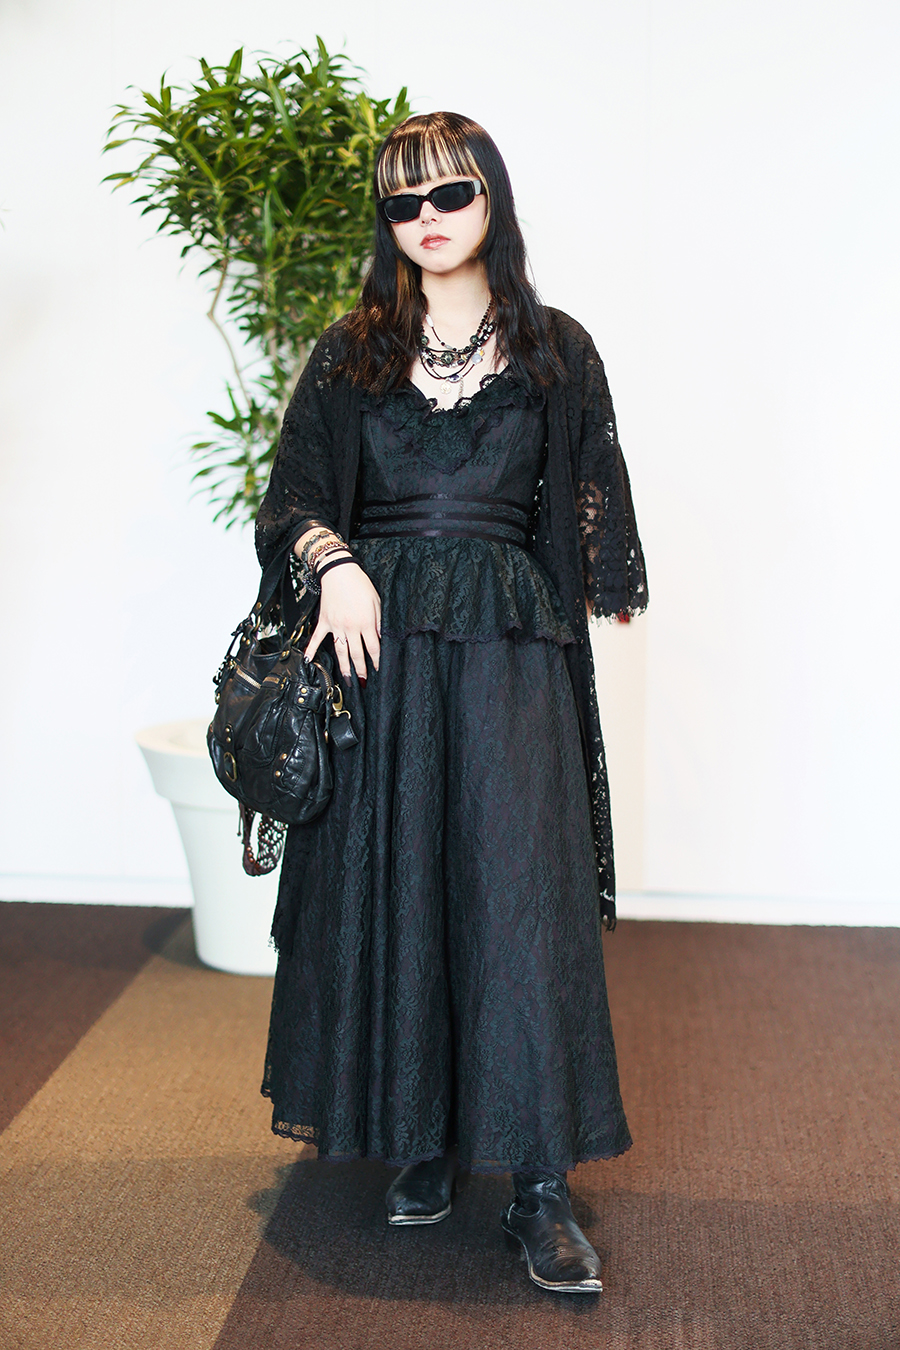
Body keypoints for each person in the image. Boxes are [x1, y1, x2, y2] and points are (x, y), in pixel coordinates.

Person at [255, 111, 648, 1295]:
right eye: (403, 202)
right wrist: (334, 562)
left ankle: (539, 1188)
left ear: (493, 199)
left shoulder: (557, 349)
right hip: (374, 655)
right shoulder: (351, 351)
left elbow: (589, 494)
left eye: (450, 194)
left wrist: (605, 576)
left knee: (518, 904)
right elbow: (291, 499)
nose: (427, 219)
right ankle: (418, 1136)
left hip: (507, 654)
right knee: (398, 887)